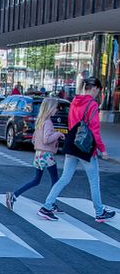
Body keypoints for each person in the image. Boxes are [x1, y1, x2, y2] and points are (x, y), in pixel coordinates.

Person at [39, 77, 116, 222]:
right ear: (94, 89)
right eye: (97, 91)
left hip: (72, 144)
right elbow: (94, 130)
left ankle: (47, 206)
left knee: (64, 178)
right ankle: (99, 212)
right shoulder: (92, 104)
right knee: (94, 180)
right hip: (85, 148)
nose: (97, 94)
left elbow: (71, 123)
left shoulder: (74, 102)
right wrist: (102, 150)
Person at [5, 98, 64, 210]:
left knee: (36, 180)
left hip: (39, 154)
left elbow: (33, 139)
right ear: (50, 109)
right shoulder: (48, 123)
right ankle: (50, 204)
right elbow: (47, 139)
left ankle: (14, 195)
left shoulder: (40, 121)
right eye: (56, 108)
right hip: (47, 155)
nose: (56, 110)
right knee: (56, 181)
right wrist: (58, 134)